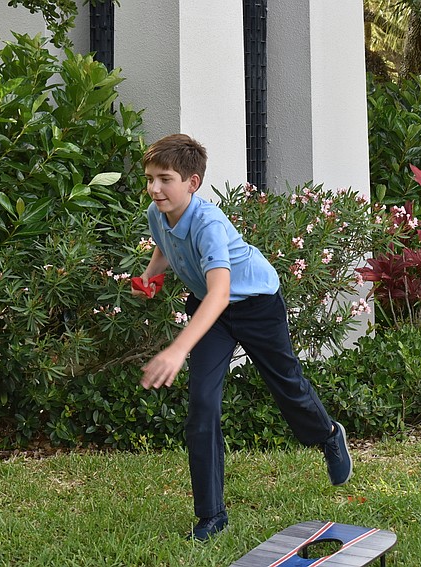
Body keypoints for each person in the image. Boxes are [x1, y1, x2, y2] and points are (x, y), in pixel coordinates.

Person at [133, 133, 353, 541]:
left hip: (255, 303)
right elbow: (164, 247)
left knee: (286, 385)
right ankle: (211, 515)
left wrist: (178, 348)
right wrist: (150, 276)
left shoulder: (209, 224)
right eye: (149, 179)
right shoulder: (156, 212)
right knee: (201, 403)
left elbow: (220, 292)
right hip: (211, 311)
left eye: (164, 179)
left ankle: (327, 435)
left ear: (192, 183)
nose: (154, 188)